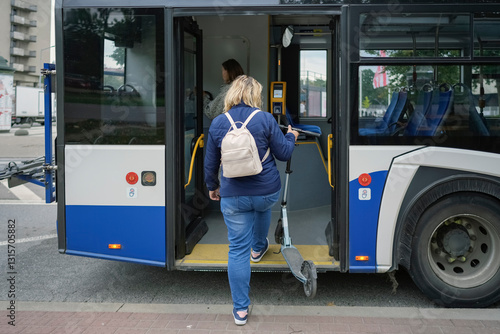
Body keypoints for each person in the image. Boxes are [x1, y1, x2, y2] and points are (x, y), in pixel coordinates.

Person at [204, 75, 299, 325]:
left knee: (237, 250)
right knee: (261, 206)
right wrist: (291, 136)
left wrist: (213, 187)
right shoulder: (265, 119)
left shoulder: (217, 124)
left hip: (233, 194)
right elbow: (284, 153)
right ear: (255, 95)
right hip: (266, 191)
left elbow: (210, 163)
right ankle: (259, 247)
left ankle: (241, 311)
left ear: (231, 94)